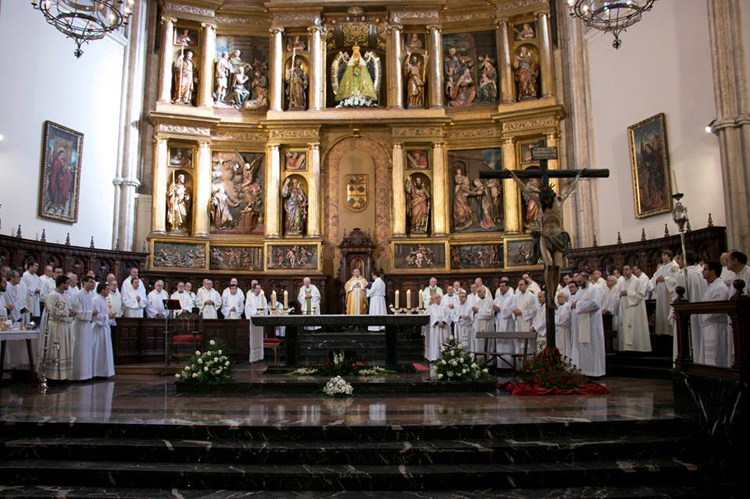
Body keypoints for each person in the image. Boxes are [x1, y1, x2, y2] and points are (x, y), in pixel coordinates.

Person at [38, 275, 77, 381]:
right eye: (67, 283)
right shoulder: (52, 295)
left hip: (64, 328)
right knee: (55, 351)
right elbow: (52, 311)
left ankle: (63, 376)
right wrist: (68, 313)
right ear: (62, 284)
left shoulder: (65, 296)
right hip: (55, 327)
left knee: (64, 352)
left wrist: (72, 312)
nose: (68, 285)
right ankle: (52, 377)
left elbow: (69, 309)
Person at [570, 273, 606, 377]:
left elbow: (595, 304)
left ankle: (595, 372)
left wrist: (578, 305)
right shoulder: (580, 291)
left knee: (593, 346)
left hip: (592, 323)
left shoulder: (594, 290)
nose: (579, 284)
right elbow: (575, 303)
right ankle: (585, 371)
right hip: (582, 323)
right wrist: (574, 305)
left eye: (580, 282)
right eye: (577, 282)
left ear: (586, 279)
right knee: (583, 347)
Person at [673, 251, 707, 362]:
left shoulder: (684, 275)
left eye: (680, 259)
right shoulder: (700, 274)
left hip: (686, 315)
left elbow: (679, 297)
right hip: (700, 312)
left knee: (688, 341)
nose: (678, 261)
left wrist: (672, 312)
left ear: (685, 260)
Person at [698, 262, 730, 367]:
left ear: (712, 272)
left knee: (715, 357)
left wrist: (705, 317)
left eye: (705, 269)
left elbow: (718, 309)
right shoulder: (712, 286)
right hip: (708, 327)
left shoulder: (720, 288)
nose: (702, 272)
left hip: (715, 327)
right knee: (708, 358)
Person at [617, 265, 651, 353]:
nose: (625, 271)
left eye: (627, 269)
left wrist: (628, 293)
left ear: (631, 270)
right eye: (624, 270)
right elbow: (618, 295)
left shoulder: (637, 281)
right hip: (625, 308)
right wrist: (620, 295)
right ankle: (626, 348)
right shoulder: (622, 283)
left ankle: (637, 347)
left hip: (635, 309)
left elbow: (641, 294)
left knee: (635, 327)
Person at [70, 276, 98, 381]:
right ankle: (78, 375)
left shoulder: (91, 295)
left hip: (87, 325)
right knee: (79, 350)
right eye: (90, 282)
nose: (92, 284)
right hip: (79, 325)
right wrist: (91, 313)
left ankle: (86, 374)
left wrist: (93, 314)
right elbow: (76, 312)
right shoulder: (77, 294)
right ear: (84, 282)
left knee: (87, 350)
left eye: (93, 282)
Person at [650, 250, 679, 335]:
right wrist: (656, 280)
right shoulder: (662, 267)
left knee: (667, 310)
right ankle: (662, 332)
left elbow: (676, 279)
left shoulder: (674, 266)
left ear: (669, 256)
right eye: (662, 255)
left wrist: (665, 279)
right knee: (661, 312)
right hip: (661, 294)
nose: (663, 257)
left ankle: (670, 331)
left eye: (665, 255)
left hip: (668, 294)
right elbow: (654, 277)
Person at [91, 282, 115, 378]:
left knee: (105, 351)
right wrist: (107, 316)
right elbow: (95, 316)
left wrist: (109, 316)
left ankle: (104, 372)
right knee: (98, 351)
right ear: (102, 290)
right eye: (107, 289)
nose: (109, 291)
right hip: (98, 329)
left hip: (104, 328)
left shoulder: (104, 299)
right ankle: (97, 372)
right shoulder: (95, 299)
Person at [493, 280, 516, 367]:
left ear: (507, 287)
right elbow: (493, 310)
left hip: (508, 324)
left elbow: (512, 310)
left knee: (508, 345)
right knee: (500, 345)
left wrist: (500, 310)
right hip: (499, 324)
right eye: (500, 286)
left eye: (503, 286)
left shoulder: (512, 297)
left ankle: (509, 365)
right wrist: (494, 310)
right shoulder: (498, 298)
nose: (501, 288)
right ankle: (500, 365)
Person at [244, 283, 267, 363]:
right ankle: (253, 356)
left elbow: (265, 307)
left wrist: (261, 313)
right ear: (253, 289)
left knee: (260, 337)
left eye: (260, 288)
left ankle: (260, 356)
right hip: (253, 318)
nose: (259, 290)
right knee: (253, 337)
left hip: (260, 319)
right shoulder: (250, 297)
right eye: (257, 288)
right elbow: (247, 307)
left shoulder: (262, 296)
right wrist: (255, 313)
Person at [471, 286, 495, 354]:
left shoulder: (490, 301)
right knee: (479, 343)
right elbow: (475, 315)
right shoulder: (477, 302)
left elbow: (489, 314)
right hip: (478, 326)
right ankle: (479, 360)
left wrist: (478, 311)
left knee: (487, 343)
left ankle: (489, 362)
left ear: (484, 292)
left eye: (480, 292)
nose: (478, 294)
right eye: (477, 292)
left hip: (486, 325)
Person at [425, 294, 447, 362]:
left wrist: (443, 322)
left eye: (438, 297)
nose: (437, 299)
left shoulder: (445, 307)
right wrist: (437, 323)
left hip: (444, 327)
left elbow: (448, 315)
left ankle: (445, 356)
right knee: (435, 342)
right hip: (435, 328)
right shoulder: (431, 308)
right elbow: (431, 318)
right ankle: (435, 356)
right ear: (433, 299)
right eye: (436, 298)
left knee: (444, 341)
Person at [555, 292, 572, 357]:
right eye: (557, 297)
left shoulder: (567, 306)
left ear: (565, 298)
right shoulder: (558, 307)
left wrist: (557, 320)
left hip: (564, 329)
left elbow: (566, 319)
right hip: (558, 330)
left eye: (559, 297)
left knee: (565, 348)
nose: (558, 299)